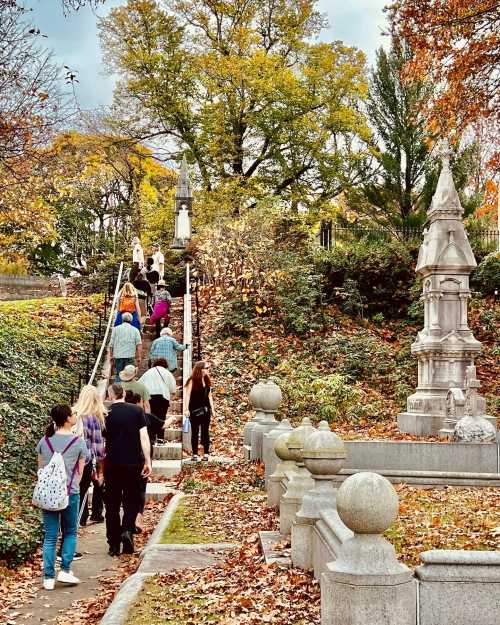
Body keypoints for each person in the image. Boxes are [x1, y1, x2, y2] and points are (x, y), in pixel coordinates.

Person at [36, 405, 89, 590]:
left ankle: (48, 578)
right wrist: (73, 483)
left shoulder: (45, 440)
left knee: (50, 536)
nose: (75, 415)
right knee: (70, 532)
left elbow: (40, 468)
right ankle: (65, 570)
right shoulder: (78, 441)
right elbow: (81, 470)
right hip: (70, 492)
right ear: (67, 418)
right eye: (73, 414)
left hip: (48, 495)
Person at [104, 384, 152, 556]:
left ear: (110, 396)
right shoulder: (137, 411)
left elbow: (102, 441)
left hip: (112, 464)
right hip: (133, 463)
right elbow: (144, 437)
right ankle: (127, 530)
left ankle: (113, 543)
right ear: (123, 393)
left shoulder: (106, 414)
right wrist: (148, 460)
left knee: (112, 504)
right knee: (131, 500)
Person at [72, 385, 106, 526]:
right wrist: (100, 467)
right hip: (85, 460)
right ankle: (89, 516)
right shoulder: (94, 418)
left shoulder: (72, 414)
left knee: (75, 490)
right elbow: (98, 446)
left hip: (69, 459)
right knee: (87, 487)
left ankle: (76, 518)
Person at [124, 391, 153, 532]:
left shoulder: (115, 415)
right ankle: (134, 523)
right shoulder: (142, 416)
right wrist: (148, 460)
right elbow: (144, 437)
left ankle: (121, 532)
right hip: (137, 459)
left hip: (119, 460)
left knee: (121, 496)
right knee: (138, 492)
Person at [138, 358, 177, 444]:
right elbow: (173, 389)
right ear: (165, 365)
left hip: (149, 397)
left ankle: (151, 438)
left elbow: (139, 384)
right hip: (163, 397)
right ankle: (160, 438)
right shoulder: (168, 373)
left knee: (150, 417)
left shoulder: (148, 373)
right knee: (161, 417)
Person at [183, 361, 215, 462]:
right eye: (206, 368)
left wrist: (213, 409)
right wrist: (186, 409)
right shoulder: (192, 380)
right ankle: (195, 454)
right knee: (195, 432)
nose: (207, 370)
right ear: (200, 369)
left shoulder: (207, 379)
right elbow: (187, 395)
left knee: (205, 431)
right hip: (194, 409)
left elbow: (210, 396)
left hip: (206, 410)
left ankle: (206, 453)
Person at [109, 312, 142, 382]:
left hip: (118, 356)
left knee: (119, 374)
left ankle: (117, 391)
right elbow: (138, 344)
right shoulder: (135, 330)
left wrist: (111, 356)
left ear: (122, 319)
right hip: (130, 356)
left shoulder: (115, 329)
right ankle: (127, 391)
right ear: (131, 320)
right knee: (129, 375)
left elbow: (111, 344)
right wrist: (139, 356)